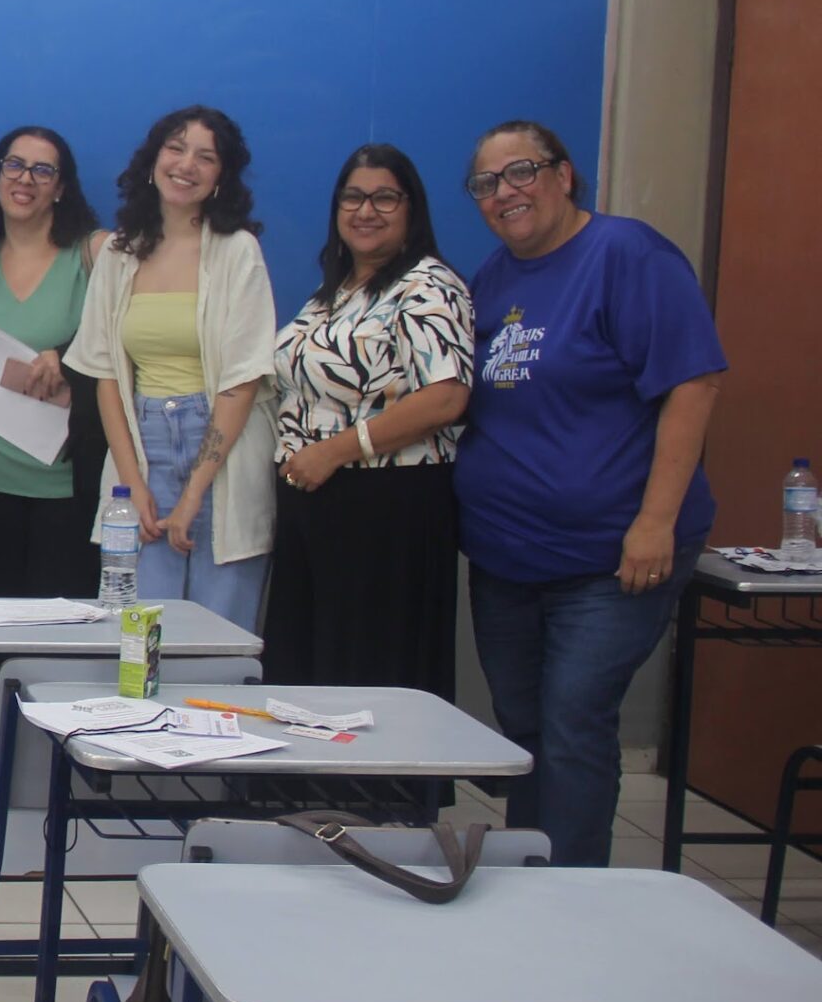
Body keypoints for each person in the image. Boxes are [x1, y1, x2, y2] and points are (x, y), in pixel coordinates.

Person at [454, 120, 723, 867]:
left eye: (522, 172)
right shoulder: (492, 281)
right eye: (486, 183)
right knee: (524, 727)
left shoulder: (627, 255)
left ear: (564, 175)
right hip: (507, 559)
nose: (505, 193)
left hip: (611, 558)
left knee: (574, 721)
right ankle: (533, 872)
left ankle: (573, 894)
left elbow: (693, 384)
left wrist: (656, 521)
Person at [65, 106, 277, 631]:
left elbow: (242, 382)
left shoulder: (238, 251)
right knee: (138, 634)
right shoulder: (119, 253)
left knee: (217, 637)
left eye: (206, 157)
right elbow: (106, 377)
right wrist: (133, 485)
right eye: (176, 149)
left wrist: (194, 493)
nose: (186, 165)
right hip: (144, 446)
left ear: (222, 175)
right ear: (153, 159)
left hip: (222, 452)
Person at [270, 145, 473, 694]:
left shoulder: (428, 286)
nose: (366, 211)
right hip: (316, 507)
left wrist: (334, 451)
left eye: (385, 198)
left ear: (412, 208)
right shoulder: (334, 292)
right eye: (353, 197)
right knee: (309, 675)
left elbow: (446, 397)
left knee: (369, 677)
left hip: (386, 507)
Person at [0, 126, 106, 601]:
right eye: (14, 165)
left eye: (43, 170)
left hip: (66, 485)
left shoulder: (95, 253)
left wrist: (67, 355)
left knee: (60, 626)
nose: (25, 179)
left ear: (61, 188)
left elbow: (126, 338)